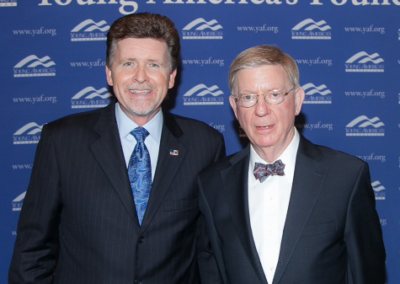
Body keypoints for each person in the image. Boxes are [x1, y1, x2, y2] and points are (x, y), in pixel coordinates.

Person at [9, 13, 225, 284]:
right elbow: (33, 252)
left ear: (171, 77)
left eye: (154, 65)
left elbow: (209, 254)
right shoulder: (61, 141)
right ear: (109, 73)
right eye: (128, 64)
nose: (140, 77)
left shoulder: (205, 144)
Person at [197, 45, 385, 284]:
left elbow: (366, 275)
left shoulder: (346, 177)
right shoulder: (212, 184)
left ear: (297, 101)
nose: (261, 110)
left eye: (274, 95)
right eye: (248, 97)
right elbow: (211, 273)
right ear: (235, 108)